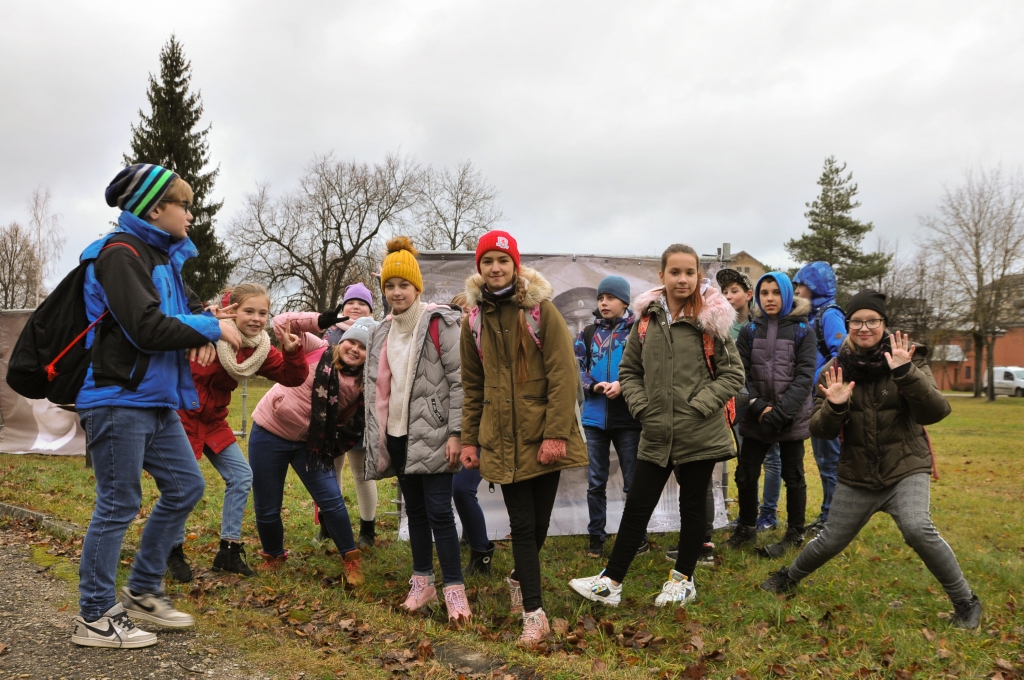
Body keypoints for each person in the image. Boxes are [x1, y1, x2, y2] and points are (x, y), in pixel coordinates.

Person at [72, 164, 242, 649]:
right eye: (184, 205)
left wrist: (207, 322)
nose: (191, 213)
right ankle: (94, 615)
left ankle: (144, 588)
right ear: (154, 208)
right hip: (116, 398)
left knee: (186, 486)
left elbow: (176, 319)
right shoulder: (121, 254)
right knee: (119, 502)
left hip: (157, 399)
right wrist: (210, 331)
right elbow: (145, 328)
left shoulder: (162, 259)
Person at [761, 290, 983, 630]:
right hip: (858, 473)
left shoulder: (909, 358)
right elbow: (818, 430)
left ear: (884, 324)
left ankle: (966, 603)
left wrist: (906, 373)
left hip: (905, 465)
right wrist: (835, 406)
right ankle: (788, 577)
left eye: (873, 321)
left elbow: (937, 411)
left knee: (917, 527)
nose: (865, 328)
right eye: (857, 322)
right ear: (847, 325)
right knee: (831, 540)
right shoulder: (834, 371)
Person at [569, 244, 743, 609]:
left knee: (692, 505)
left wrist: (698, 407)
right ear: (660, 276)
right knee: (638, 506)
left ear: (698, 276)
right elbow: (629, 372)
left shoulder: (712, 319)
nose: (682, 279)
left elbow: (733, 375)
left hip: (699, 431)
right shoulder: (646, 320)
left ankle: (683, 581)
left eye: (689, 273)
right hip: (656, 430)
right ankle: (611, 582)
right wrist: (642, 408)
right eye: (675, 272)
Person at [460, 230, 588, 643]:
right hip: (500, 436)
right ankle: (534, 614)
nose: (495, 268)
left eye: (502, 260)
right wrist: (468, 440)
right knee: (523, 525)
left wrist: (555, 434)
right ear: (478, 269)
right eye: (487, 262)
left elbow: (564, 375)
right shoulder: (474, 320)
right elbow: (472, 385)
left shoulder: (540, 311)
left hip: (541, 435)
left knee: (540, 523)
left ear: (515, 265)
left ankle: (519, 578)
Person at [167, 283, 308, 582]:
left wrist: (293, 352)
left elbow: (292, 377)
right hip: (182, 417)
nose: (257, 318)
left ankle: (228, 551)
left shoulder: (257, 349)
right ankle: (172, 550)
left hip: (214, 421)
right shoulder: (204, 330)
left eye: (263, 313)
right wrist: (205, 326)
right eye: (249, 311)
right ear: (231, 311)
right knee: (183, 488)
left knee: (241, 476)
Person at [363, 237, 471, 622]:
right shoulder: (381, 331)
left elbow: (461, 382)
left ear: (417, 287)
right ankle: (422, 581)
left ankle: (455, 590)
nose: (396, 293)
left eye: (403, 285)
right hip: (398, 436)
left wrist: (457, 433)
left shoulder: (440, 323)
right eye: (389, 286)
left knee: (441, 512)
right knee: (417, 513)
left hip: (436, 434)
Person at [247, 308, 372, 586]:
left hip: (310, 446)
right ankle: (274, 557)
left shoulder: (363, 383)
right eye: (352, 341)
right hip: (269, 431)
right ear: (343, 340)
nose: (354, 349)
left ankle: (351, 560)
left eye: (364, 348)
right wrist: (319, 321)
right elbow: (281, 323)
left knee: (332, 501)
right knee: (267, 507)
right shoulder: (318, 348)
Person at [726, 272, 816, 558]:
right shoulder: (750, 331)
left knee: (794, 475)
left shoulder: (804, 330)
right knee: (746, 473)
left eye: (776, 292)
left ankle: (794, 532)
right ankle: (747, 526)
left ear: (787, 294)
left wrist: (781, 412)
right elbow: (741, 373)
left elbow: (804, 377)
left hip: (790, 417)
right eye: (764, 293)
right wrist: (758, 406)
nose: (770, 298)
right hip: (756, 416)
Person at [574, 276, 646, 560]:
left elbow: (646, 370)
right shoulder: (588, 333)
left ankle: (637, 537)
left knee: (633, 483)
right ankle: (596, 538)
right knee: (595, 482)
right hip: (594, 419)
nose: (604, 302)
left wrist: (623, 385)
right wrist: (593, 386)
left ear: (625, 301)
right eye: (600, 297)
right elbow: (575, 368)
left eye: (610, 297)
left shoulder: (640, 332)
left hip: (629, 419)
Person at [717, 268, 782, 534]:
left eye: (734, 291)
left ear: (747, 294)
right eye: (724, 292)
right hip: (735, 401)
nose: (729, 296)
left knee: (773, 457)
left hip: (766, 398)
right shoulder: (721, 325)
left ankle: (769, 513)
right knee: (746, 458)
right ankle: (749, 513)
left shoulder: (764, 323)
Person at [315, 282, 379, 550]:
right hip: (330, 417)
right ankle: (328, 526)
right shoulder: (327, 335)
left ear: (370, 310)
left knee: (362, 473)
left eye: (362, 303)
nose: (355, 307)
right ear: (342, 307)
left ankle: (368, 529)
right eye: (350, 302)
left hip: (361, 419)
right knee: (330, 471)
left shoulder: (379, 335)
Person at [793, 262, 847, 535]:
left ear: (814, 287)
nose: (797, 290)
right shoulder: (810, 316)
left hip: (825, 398)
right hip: (813, 399)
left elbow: (843, 354)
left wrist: (814, 380)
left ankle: (833, 522)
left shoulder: (830, 314)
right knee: (824, 460)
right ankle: (829, 516)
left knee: (829, 462)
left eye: (801, 285)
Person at [449, 292, 495, 576]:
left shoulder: (487, 342)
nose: (464, 316)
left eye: (470, 310)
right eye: (459, 311)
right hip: (455, 425)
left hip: (484, 425)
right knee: (456, 489)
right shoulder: (448, 342)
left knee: (462, 489)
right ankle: (470, 538)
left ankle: (482, 554)